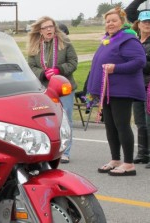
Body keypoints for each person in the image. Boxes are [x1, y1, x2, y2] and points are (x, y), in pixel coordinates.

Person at [87, 7, 146, 176]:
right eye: (107, 21)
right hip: (108, 92)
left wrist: (116, 68)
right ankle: (115, 159)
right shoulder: (108, 39)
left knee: (122, 125)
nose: (110, 24)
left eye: (114, 20)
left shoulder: (128, 40)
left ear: (122, 22)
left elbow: (139, 61)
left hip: (122, 91)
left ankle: (128, 164)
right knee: (111, 127)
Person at [27, 16, 78, 164]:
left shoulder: (65, 42)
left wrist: (59, 69)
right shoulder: (35, 46)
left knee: (65, 119)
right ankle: (46, 149)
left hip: (64, 88)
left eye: (51, 26)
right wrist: (43, 73)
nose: (49, 29)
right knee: (45, 120)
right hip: (44, 88)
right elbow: (30, 66)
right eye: (45, 27)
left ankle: (65, 152)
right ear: (40, 31)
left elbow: (73, 62)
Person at [126, 0, 150, 168]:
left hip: (149, 86)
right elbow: (129, 10)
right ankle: (143, 153)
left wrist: (138, 63)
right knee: (140, 122)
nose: (147, 25)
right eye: (145, 22)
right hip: (137, 86)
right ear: (138, 24)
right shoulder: (135, 42)